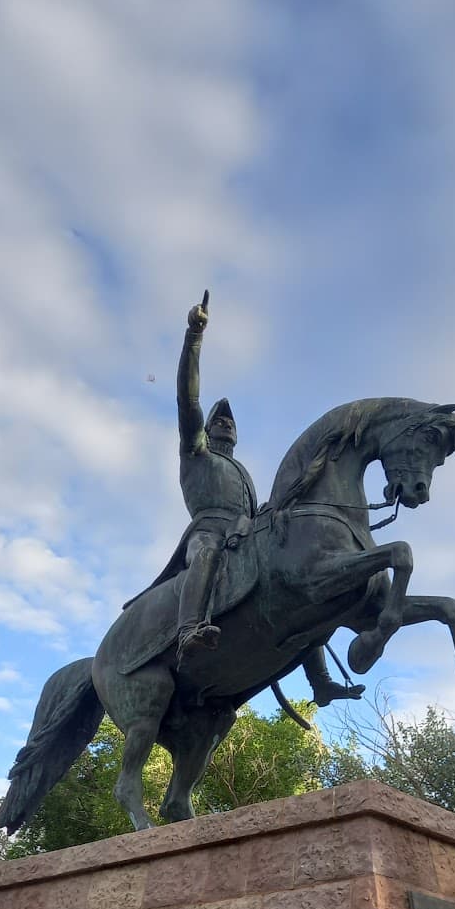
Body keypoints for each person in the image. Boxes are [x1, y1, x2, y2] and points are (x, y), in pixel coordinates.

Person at [157, 291, 362, 704]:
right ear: (207, 429)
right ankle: (189, 630)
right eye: (219, 420)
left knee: (296, 578)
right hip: (208, 532)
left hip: (243, 535)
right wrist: (194, 337)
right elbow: (188, 399)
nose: (227, 424)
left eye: (231, 422)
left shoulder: (243, 473)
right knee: (207, 553)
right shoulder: (196, 454)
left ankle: (320, 682)